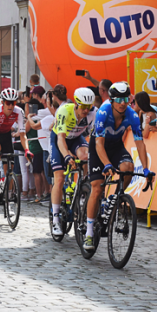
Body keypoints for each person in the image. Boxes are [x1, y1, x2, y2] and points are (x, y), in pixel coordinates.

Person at [83, 82, 154, 251]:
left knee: (128, 167)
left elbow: (140, 143)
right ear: (112, 100)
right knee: (97, 188)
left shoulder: (132, 116)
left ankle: (113, 200)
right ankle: (89, 232)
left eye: (126, 99)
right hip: (98, 146)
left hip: (115, 146)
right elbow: (99, 144)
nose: (123, 103)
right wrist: (106, 164)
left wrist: (145, 169)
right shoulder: (103, 113)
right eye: (119, 99)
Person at [49, 88, 96, 236]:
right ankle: (56, 219)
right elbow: (61, 139)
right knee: (60, 178)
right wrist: (67, 156)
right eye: (83, 106)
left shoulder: (94, 113)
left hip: (76, 138)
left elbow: (96, 137)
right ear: (76, 104)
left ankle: (83, 188)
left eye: (88, 107)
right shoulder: (64, 111)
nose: (85, 110)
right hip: (59, 139)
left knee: (85, 156)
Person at [0, 88, 31, 192]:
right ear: (2, 102)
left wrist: (27, 150)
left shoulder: (19, 111)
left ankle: (8, 197)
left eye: (13, 103)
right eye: (8, 103)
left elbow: (22, 135)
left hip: (6, 134)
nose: (11, 106)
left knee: (10, 168)